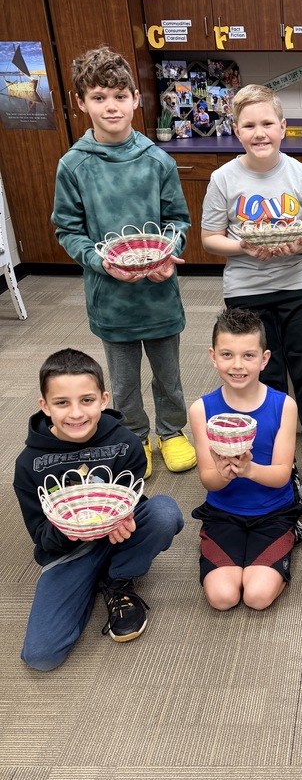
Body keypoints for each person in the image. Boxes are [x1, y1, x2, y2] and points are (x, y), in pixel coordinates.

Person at [52, 45, 196, 479]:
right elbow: (68, 230)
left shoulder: (157, 160)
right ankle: (133, 435)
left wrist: (168, 253)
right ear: (81, 103)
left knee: (169, 374)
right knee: (124, 379)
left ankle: (172, 432)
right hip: (110, 296)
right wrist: (99, 261)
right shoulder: (73, 166)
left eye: (119, 96)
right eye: (98, 97)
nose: (110, 106)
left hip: (158, 292)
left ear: (137, 98)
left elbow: (178, 220)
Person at [13, 349, 184, 671]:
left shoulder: (126, 444)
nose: (76, 413)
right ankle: (89, 578)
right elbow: (40, 536)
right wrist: (70, 531)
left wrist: (127, 518)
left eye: (87, 400)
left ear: (104, 399)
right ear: (44, 406)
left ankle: (117, 580)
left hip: (118, 537)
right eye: (62, 403)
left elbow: (131, 499)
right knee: (41, 656)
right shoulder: (29, 463)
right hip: (68, 551)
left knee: (164, 512)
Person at [200, 84, 302, 433]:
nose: (259, 133)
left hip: (300, 285)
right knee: (264, 375)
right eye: (248, 126)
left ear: (282, 126)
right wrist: (243, 246)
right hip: (247, 290)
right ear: (236, 130)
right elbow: (210, 239)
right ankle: (275, 450)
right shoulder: (223, 179)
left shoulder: (301, 174)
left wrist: (300, 244)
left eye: (267, 124)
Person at [188, 308, 302, 611]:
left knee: (257, 596)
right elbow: (208, 480)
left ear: (264, 359)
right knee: (223, 598)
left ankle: (288, 537)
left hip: (273, 512)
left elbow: (280, 476)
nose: (237, 365)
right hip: (223, 512)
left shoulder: (284, 405)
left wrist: (248, 469)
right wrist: (225, 474)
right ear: (213, 356)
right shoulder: (201, 410)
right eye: (227, 355)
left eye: (248, 356)